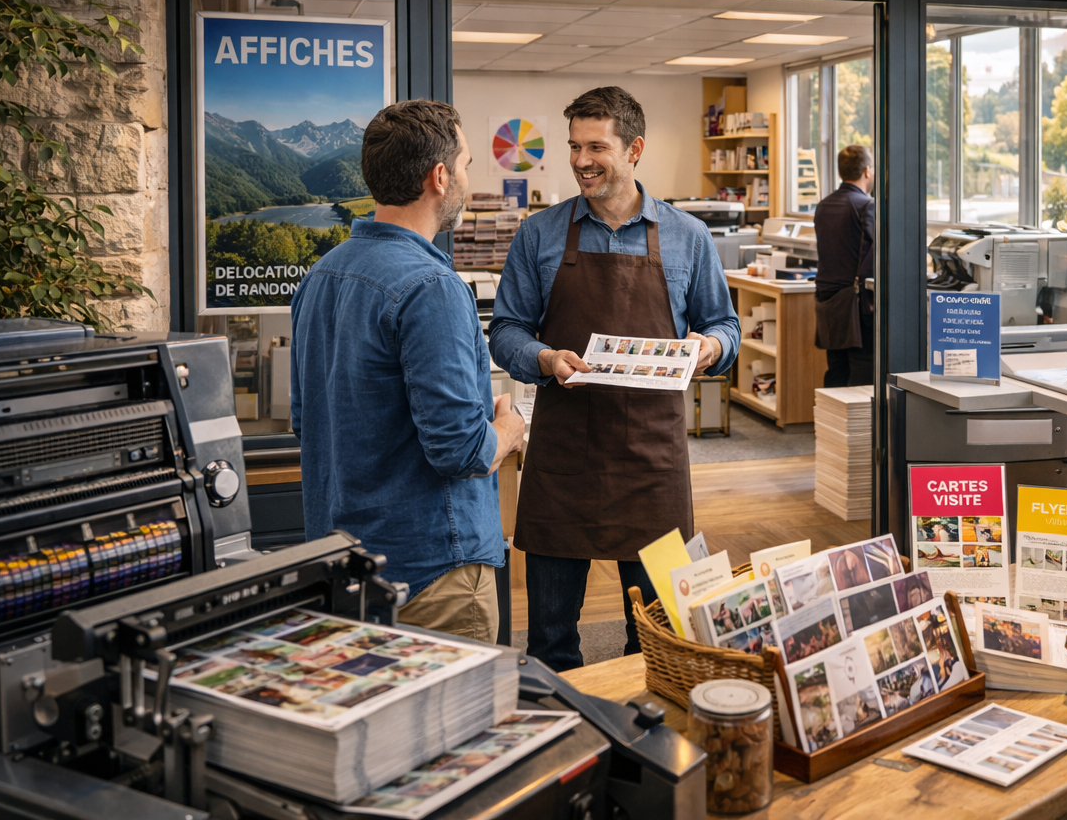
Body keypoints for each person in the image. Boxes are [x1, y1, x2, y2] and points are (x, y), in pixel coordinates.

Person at [490, 86, 740, 671]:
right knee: (549, 643)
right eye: (574, 146)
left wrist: (711, 347)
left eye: (596, 146)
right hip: (564, 456)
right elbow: (505, 331)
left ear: (635, 150)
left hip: (652, 461)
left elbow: (723, 324)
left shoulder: (688, 236)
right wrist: (546, 359)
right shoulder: (539, 235)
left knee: (656, 641)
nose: (580, 160)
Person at [292, 100, 525, 642]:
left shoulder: (320, 275)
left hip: (343, 566)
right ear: (440, 177)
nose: (467, 177)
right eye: (466, 164)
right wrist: (509, 432)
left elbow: (308, 424)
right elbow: (462, 452)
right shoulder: (432, 288)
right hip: (431, 578)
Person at [813, 144, 875, 387]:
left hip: (827, 302)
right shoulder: (866, 206)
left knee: (836, 371)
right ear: (867, 171)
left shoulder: (824, 205)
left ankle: (832, 424)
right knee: (862, 374)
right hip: (855, 306)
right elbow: (874, 254)